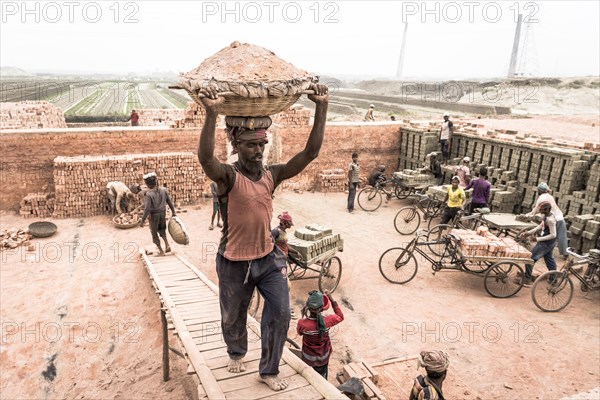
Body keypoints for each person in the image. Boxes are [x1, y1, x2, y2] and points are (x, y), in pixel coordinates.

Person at [197, 82, 328, 391]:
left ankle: (268, 370)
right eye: (251, 145)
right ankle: (236, 352)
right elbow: (206, 160)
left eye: (261, 145)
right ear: (237, 146)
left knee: (281, 312)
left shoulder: (272, 174)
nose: (258, 151)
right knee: (233, 316)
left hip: (268, 258)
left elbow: (310, 152)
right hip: (233, 262)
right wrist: (211, 113)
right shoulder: (228, 176)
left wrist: (321, 107)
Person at [296, 290, 344, 379]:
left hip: (308, 358)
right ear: (322, 308)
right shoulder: (328, 320)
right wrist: (331, 298)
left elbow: (299, 333)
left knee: (309, 377)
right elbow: (340, 316)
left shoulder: (302, 324)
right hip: (324, 357)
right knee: (323, 376)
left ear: (308, 307)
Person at [522, 182, 568, 258]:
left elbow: (535, 210)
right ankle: (565, 253)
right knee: (562, 235)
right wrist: (530, 233)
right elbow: (541, 225)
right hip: (559, 217)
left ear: (539, 191)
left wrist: (527, 215)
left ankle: (543, 250)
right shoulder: (550, 196)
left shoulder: (541, 199)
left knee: (549, 236)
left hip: (552, 219)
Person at [271, 212, 302, 320]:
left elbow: (285, 245)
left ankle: (283, 306)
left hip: (283, 261)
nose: (290, 225)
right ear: (284, 223)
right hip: (277, 263)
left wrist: (295, 252)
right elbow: (270, 244)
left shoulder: (283, 231)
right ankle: (284, 308)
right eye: (289, 223)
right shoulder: (275, 231)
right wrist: (276, 255)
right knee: (286, 285)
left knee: (284, 285)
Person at [519, 201, 557, 287]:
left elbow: (553, 235)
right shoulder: (546, 216)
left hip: (546, 243)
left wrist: (537, 238)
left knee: (530, 259)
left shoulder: (551, 220)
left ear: (547, 209)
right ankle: (553, 280)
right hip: (548, 243)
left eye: (542, 209)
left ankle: (527, 279)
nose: (540, 211)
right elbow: (540, 226)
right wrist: (528, 233)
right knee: (549, 261)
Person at [139, 172, 176, 256]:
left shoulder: (149, 194)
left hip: (154, 216)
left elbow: (147, 208)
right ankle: (167, 245)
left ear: (147, 184)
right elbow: (169, 202)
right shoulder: (163, 190)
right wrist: (173, 212)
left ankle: (161, 251)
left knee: (154, 233)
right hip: (162, 213)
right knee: (162, 230)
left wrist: (143, 220)